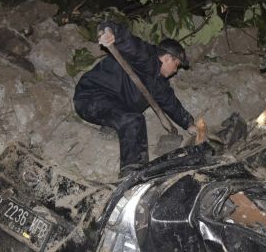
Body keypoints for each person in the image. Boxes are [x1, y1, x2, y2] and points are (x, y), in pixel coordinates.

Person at [73, 21, 197, 177]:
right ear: (167, 58)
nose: (175, 71)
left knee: (130, 117)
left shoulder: (159, 83)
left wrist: (189, 124)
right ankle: (133, 174)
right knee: (134, 120)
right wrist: (110, 32)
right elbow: (128, 41)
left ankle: (112, 126)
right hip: (91, 97)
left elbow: (171, 104)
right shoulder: (145, 56)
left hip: (112, 106)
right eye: (176, 65)